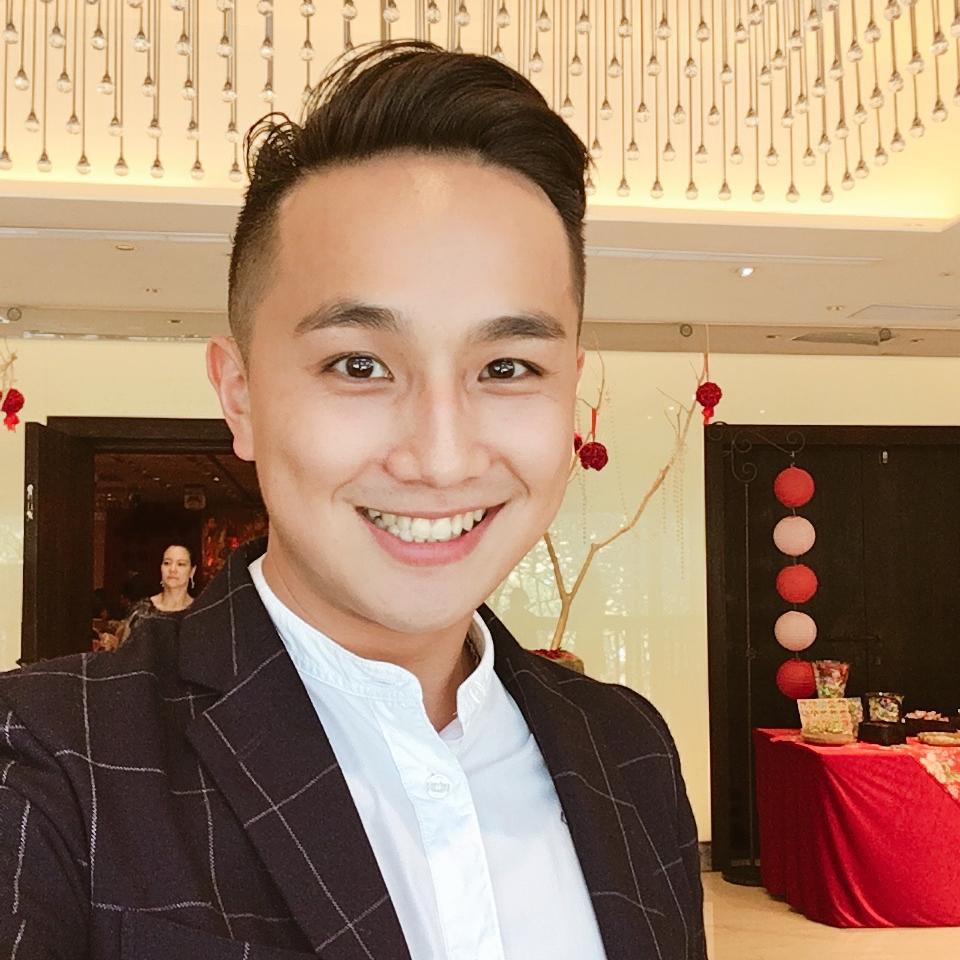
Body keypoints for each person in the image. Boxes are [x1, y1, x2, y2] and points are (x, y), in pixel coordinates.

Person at [0, 42, 706, 960]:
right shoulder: (50, 763)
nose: (441, 459)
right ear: (241, 396)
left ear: (570, 386)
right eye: (359, 365)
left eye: (506, 367)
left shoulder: (628, 748)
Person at [112, 544, 196, 647]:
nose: (172, 569)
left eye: (181, 564)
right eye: (167, 563)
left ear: (192, 571)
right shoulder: (142, 612)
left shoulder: (199, 612)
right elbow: (125, 653)